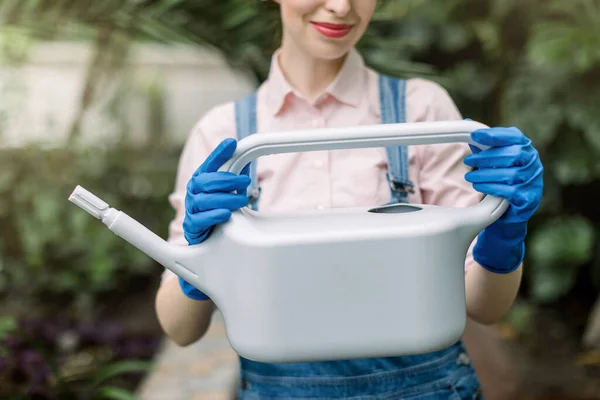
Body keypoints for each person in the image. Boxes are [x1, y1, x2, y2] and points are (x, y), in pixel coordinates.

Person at [154, 0, 543, 398]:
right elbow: (181, 329)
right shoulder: (223, 135)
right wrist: (201, 260)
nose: (341, 7)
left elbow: (485, 308)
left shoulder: (422, 112)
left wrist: (503, 235)